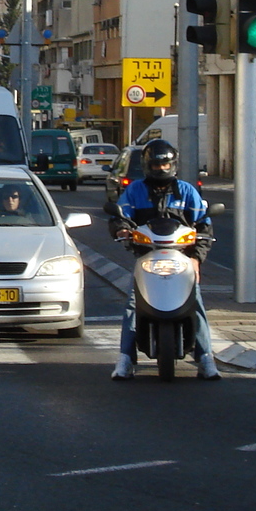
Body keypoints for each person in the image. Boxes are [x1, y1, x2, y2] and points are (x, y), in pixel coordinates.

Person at [108, 138, 217, 381]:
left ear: (174, 165)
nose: (161, 170)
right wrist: (121, 229)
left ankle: (206, 357)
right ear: (147, 165)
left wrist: (197, 258)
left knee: (196, 301)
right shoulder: (135, 190)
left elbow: (204, 226)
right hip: (147, 256)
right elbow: (121, 215)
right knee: (132, 304)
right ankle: (125, 359)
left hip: (182, 257)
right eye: (156, 165)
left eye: (166, 165)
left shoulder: (187, 191)